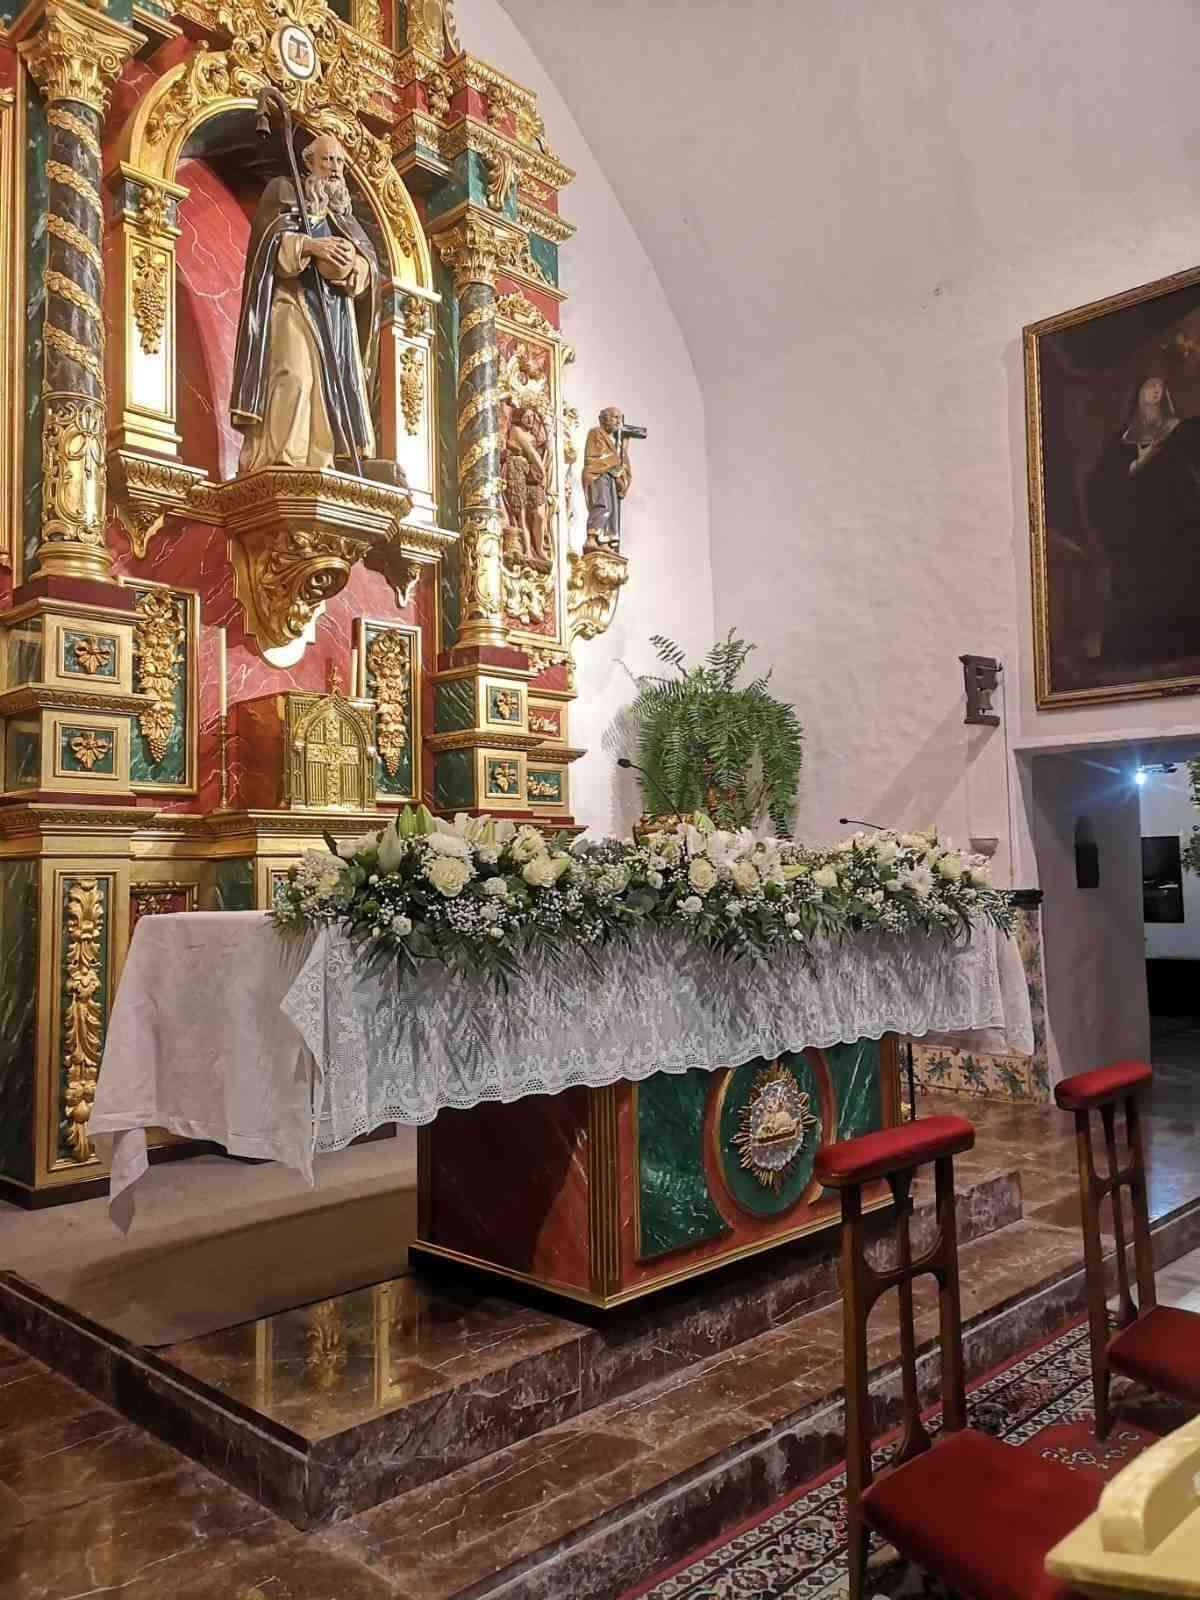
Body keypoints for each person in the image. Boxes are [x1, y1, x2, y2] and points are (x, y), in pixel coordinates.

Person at [231, 134, 379, 474]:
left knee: (327, 391)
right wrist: (311, 247)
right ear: (309, 162)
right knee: (295, 376)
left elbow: (369, 266)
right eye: (327, 160)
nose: (335, 168)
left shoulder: (346, 219)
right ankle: (283, 457)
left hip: (336, 318)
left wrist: (355, 265)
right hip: (292, 301)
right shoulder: (285, 192)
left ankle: (320, 461)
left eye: (340, 162)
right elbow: (267, 247)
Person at [1087, 377, 1200, 667]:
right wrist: (1137, 465)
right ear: (1137, 393)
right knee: (1136, 588)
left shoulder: (1180, 430)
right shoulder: (1123, 437)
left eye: (1160, 386)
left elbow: (1188, 474)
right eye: (1149, 385)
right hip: (1136, 529)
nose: (1155, 390)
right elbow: (1101, 484)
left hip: (1173, 525)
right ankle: (1137, 653)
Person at [582, 407, 632, 548]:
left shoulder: (616, 441)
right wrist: (617, 464)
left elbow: (621, 463)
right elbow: (598, 457)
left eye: (620, 418)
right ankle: (591, 538)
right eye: (615, 417)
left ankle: (605, 542)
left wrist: (622, 449)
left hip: (611, 478)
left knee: (612, 509)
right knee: (602, 505)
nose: (618, 421)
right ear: (604, 419)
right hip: (597, 474)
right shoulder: (596, 432)